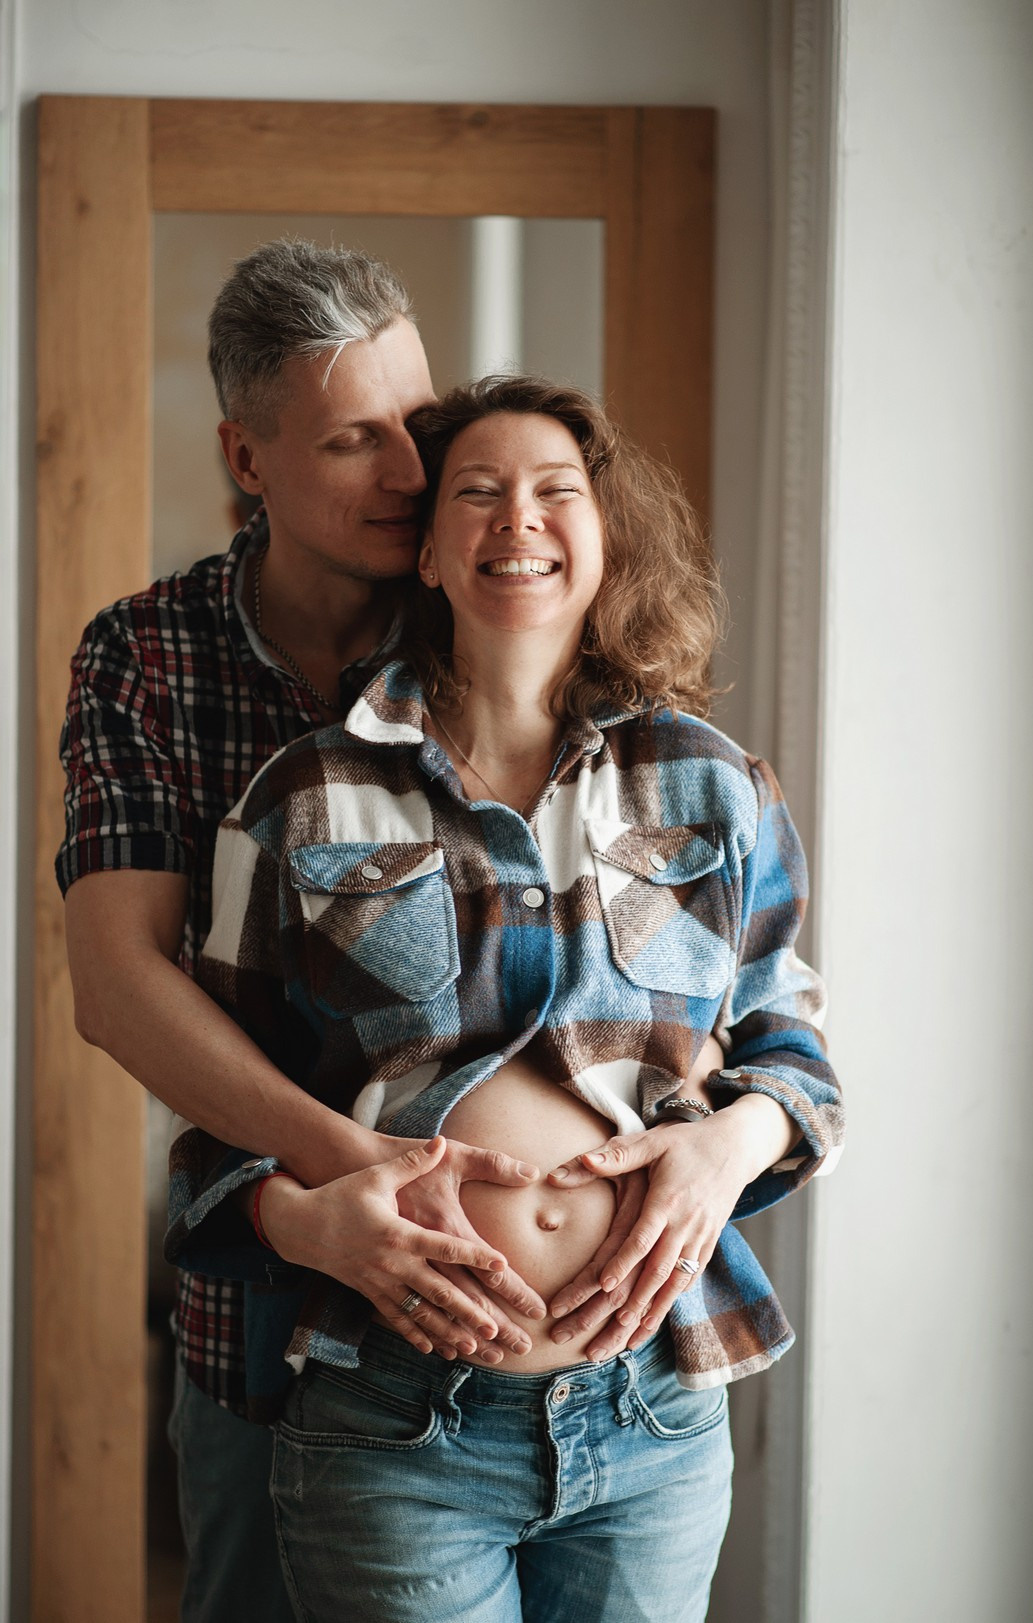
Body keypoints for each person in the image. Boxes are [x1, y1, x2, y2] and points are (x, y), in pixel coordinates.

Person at [172, 376, 844, 1622]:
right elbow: (216, 1113)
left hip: (653, 1409)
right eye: (475, 493)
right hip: (390, 1416)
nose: (515, 518)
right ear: (425, 550)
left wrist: (722, 1151)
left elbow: (796, 1050)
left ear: (604, 540)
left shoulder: (711, 785)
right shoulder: (302, 798)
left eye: (555, 492)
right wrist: (307, 1227)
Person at [57, 240, 552, 1623]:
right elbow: (115, 979)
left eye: (419, 420)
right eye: (352, 437)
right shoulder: (147, 655)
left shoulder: (495, 617)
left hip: (525, 1340)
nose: (410, 470)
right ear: (249, 455)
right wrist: (356, 1178)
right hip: (269, 1309)